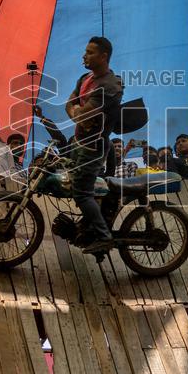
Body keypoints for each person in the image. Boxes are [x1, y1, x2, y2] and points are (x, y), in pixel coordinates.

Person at [65, 36, 123, 254]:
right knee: (78, 187)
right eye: (85, 51)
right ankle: (88, 224)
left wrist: (78, 113)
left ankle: (103, 236)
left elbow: (79, 112)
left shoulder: (110, 86)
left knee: (81, 194)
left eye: (89, 52)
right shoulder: (85, 78)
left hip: (93, 147)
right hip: (79, 143)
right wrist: (78, 113)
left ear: (103, 56)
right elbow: (69, 105)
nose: (84, 56)